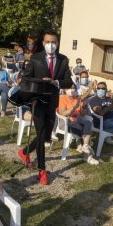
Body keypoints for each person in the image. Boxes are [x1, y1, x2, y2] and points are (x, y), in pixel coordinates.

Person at [19, 30, 73, 185]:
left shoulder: (63, 60)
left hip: (52, 101)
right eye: (48, 42)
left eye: (54, 42)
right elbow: (26, 78)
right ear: (43, 43)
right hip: (38, 100)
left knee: (46, 135)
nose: (51, 44)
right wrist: (40, 81)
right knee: (41, 135)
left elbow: (68, 81)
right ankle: (42, 171)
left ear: (57, 43)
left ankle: (24, 152)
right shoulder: (35, 58)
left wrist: (56, 82)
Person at [58, 83, 99, 165]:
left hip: (78, 119)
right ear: (65, 90)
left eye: (74, 88)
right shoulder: (63, 98)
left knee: (88, 123)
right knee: (87, 129)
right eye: (70, 88)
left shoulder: (77, 98)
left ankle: (85, 146)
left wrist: (83, 107)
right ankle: (88, 156)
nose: (72, 90)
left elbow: (82, 114)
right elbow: (64, 113)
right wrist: (74, 107)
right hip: (68, 122)